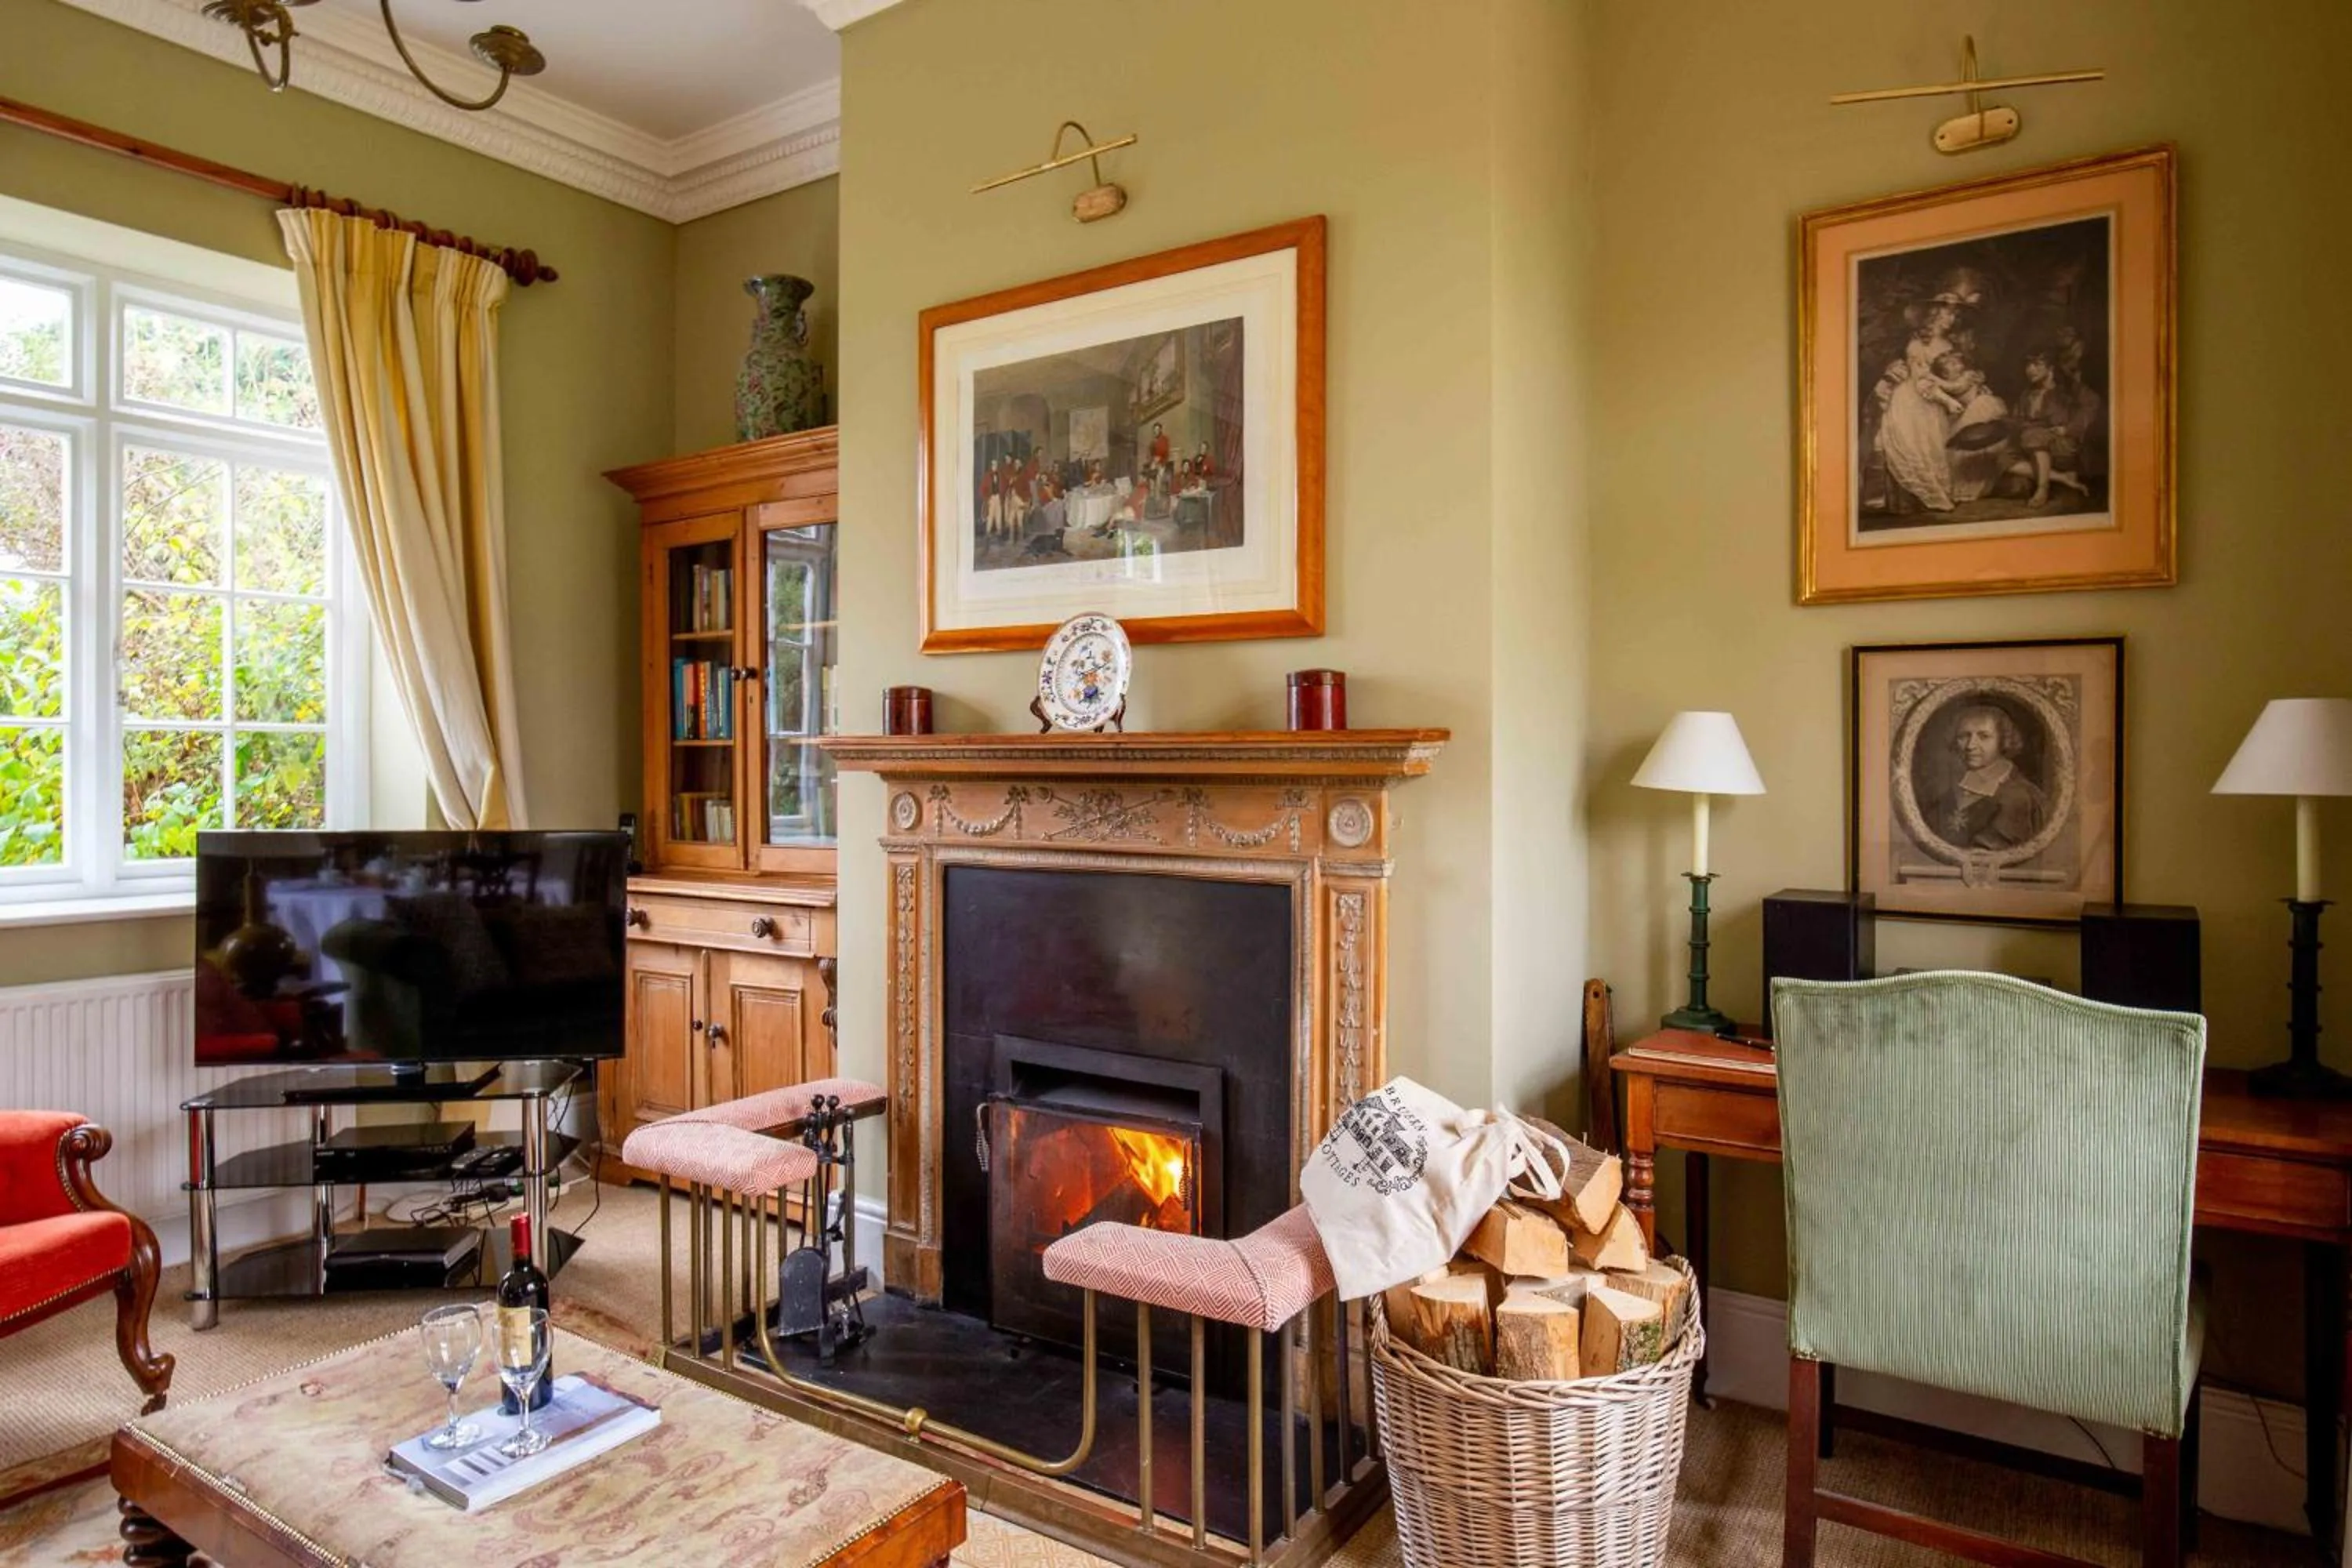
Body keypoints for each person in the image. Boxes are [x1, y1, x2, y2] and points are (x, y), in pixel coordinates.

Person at [1929, 703, 2048, 851]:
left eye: (1984, 736)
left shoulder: (2019, 796)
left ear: (2004, 741)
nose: (1971, 745)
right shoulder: (1953, 793)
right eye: (1963, 736)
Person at [2008, 347, 2103, 508]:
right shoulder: (2027, 394)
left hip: (2063, 443)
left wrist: (2069, 429)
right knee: (2001, 459)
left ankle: (2042, 489)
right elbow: (2018, 420)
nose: (2031, 370)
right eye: (2028, 365)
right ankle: (2062, 478)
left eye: (2037, 364)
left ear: (2051, 367)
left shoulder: (2069, 389)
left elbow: (2093, 404)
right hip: (2032, 444)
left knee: (2034, 436)